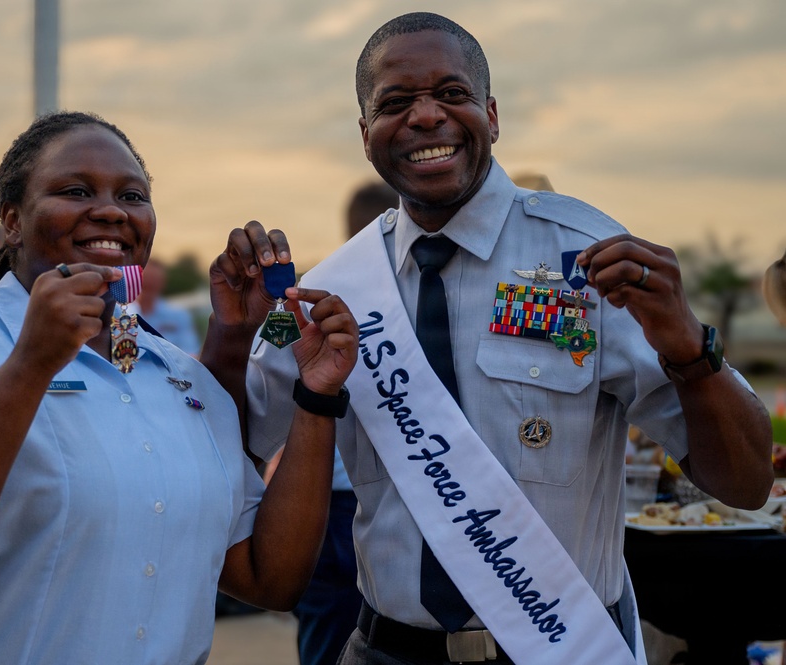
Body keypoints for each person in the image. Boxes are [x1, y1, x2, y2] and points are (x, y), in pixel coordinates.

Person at [233, 12, 773, 665]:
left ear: (490, 115)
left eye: (451, 94)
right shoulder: (331, 290)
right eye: (395, 103)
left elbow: (743, 483)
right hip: (390, 651)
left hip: (564, 648)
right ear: (365, 134)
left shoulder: (585, 260)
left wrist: (690, 349)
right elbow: (230, 442)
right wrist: (231, 335)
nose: (425, 116)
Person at [0, 111, 358, 664]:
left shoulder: (170, 369)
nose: (110, 210)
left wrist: (315, 396)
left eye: (132, 196)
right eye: (76, 190)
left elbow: (265, 577)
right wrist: (30, 365)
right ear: (12, 220)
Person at [264, 180, 399, 665]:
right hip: (380, 504)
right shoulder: (399, 295)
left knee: (326, 638)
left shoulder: (316, 293)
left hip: (322, 500)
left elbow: (263, 413)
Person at [129, 258, 201, 356]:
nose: (149, 287)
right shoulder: (119, 313)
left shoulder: (179, 316)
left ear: (163, 284)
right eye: (145, 283)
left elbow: (191, 352)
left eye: (154, 283)